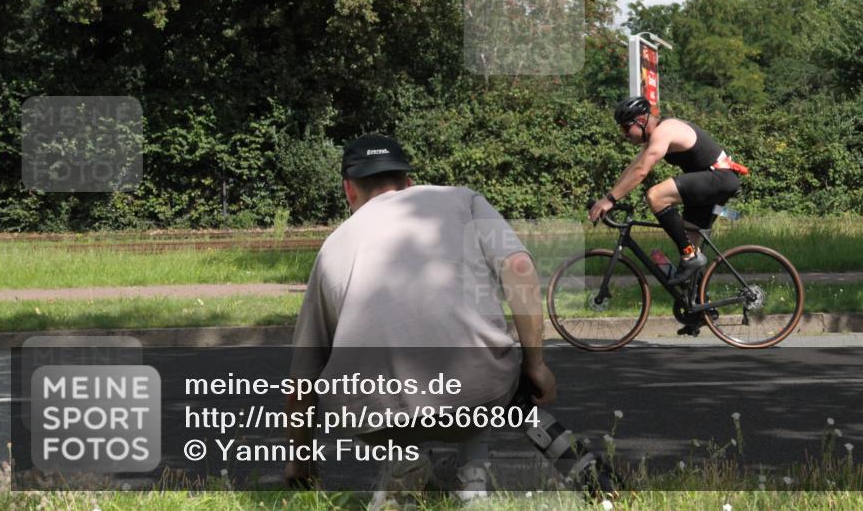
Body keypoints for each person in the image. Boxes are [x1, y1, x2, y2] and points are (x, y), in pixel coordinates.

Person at [284, 134, 556, 508]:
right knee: (483, 371)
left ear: (350, 190)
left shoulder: (332, 247)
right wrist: (535, 363)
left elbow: (302, 380)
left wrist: (301, 462)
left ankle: (400, 461)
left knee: (366, 393)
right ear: (409, 182)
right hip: (477, 393)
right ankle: (473, 477)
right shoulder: (462, 199)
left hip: (376, 413)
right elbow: (519, 267)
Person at [589, 96, 747, 286]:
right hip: (709, 183)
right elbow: (632, 169)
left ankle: (689, 257)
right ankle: (700, 305)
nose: (624, 134)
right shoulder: (655, 138)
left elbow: (641, 172)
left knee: (656, 195)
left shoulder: (664, 131)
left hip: (719, 178)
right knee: (690, 251)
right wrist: (606, 197)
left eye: (625, 128)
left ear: (640, 121)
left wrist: (610, 200)